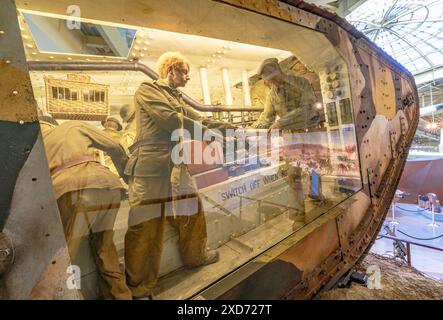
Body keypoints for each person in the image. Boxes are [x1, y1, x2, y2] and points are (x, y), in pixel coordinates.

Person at [124, 52, 235, 299]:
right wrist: (208, 134)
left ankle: (196, 256)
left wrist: (228, 128)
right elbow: (172, 120)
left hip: (174, 164)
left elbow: (196, 117)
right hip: (151, 167)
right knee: (146, 224)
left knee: (192, 207)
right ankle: (139, 287)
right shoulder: (148, 89)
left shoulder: (174, 97)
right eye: (184, 72)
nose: (187, 77)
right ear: (170, 70)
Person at [39, 117, 132, 300]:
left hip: (72, 192)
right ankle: (121, 296)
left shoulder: (33, 147)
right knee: (105, 246)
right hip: (107, 186)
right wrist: (127, 176)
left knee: (66, 259)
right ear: (52, 124)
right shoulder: (72, 126)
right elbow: (114, 146)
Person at [251, 58, 320, 229]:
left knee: (315, 167)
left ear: (279, 72)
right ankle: (298, 215)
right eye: (267, 80)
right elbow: (266, 117)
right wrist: (251, 131)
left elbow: (307, 108)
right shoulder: (272, 94)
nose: (270, 82)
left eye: (272, 78)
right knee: (293, 175)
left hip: (309, 133)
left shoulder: (301, 83)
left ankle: (316, 193)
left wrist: (281, 122)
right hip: (291, 138)